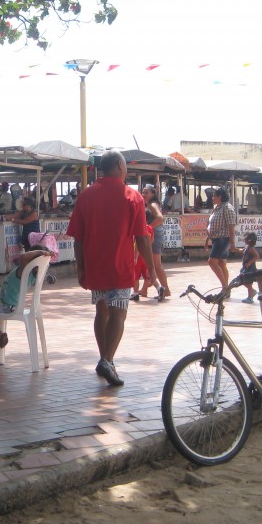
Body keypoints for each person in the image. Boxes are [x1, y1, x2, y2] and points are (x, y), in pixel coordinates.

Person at [67, 150, 156, 387]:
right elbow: (142, 237)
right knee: (119, 312)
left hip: (95, 265)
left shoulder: (86, 196)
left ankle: (105, 359)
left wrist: (80, 268)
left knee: (102, 311)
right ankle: (107, 359)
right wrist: (151, 268)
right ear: (118, 165)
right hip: (121, 265)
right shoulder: (132, 196)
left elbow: (77, 238)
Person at [0, 245, 54, 351]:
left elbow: (23, 257)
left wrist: (39, 252)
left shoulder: (24, 272)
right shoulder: (32, 274)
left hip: (7, 307)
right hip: (7, 305)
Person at [204, 187, 238, 292]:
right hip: (217, 239)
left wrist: (232, 243)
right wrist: (207, 238)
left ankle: (224, 287)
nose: (212, 198)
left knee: (212, 262)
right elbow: (212, 225)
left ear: (220, 197)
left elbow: (231, 226)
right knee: (222, 263)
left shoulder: (227, 208)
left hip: (223, 239)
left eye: (214, 196)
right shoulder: (217, 208)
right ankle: (226, 288)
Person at [141, 184, 170, 301]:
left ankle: (166, 289)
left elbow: (160, 218)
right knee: (151, 265)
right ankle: (144, 290)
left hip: (154, 235)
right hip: (154, 234)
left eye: (146, 192)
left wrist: (148, 227)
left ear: (153, 194)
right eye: (143, 192)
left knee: (155, 265)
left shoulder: (152, 205)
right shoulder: (149, 204)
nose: (144, 194)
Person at [239, 232, 260, 303]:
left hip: (250, 268)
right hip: (245, 268)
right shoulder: (247, 247)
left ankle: (250, 297)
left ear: (249, 240)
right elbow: (242, 251)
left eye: (246, 239)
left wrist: (249, 262)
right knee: (243, 281)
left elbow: (257, 256)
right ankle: (252, 292)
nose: (244, 240)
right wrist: (235, 249)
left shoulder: (251, 248)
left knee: (247, 282)